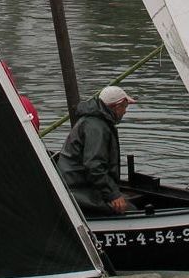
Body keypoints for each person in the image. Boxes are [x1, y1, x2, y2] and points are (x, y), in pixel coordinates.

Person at [56, 85, 136, 215]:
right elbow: (94, 165)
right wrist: (113, 195)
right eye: (124, 107)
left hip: (78, 183)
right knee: (130, 210)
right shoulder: (97, 127)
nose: (125, 111)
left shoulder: (94, 121)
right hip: (78, 189)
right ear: (116, 106)